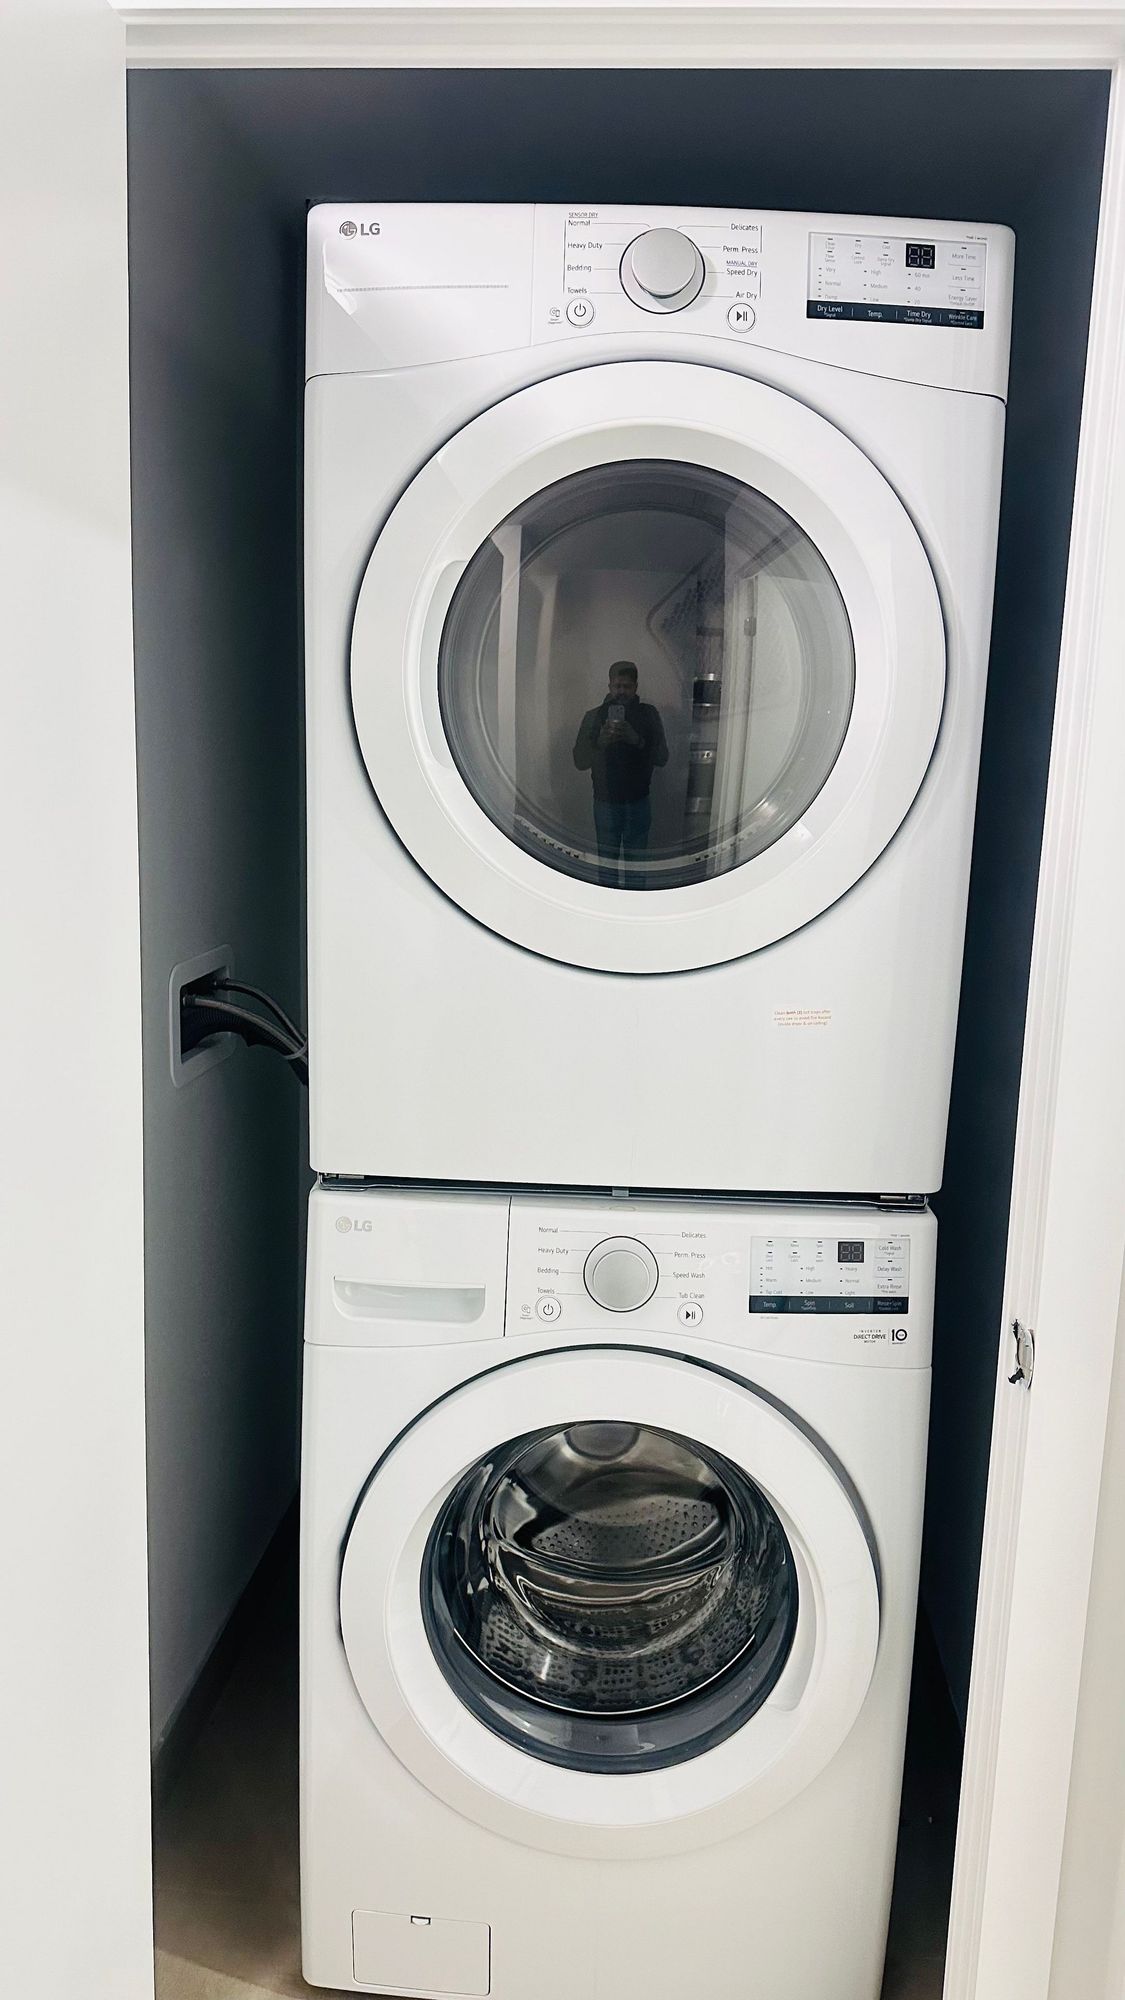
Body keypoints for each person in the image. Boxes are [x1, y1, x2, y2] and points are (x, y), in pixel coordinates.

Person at [572, 661, 669, 887]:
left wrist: (636, 739)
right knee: (607, 870)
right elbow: (580, 761)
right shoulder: (594, 717)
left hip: (638, 802)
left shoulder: (648, 715)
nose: (621, 691)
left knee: (637, 871)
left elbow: (663, 758)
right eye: (617, 686)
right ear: (609, 686)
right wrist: (601, 742)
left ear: (636, 687)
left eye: (627, 686)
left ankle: (634, 907)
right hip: (606, 803)